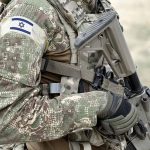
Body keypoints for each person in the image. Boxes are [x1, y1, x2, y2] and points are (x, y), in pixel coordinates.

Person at [0, 0, 138, 149]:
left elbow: (89, 72)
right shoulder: (32, 11)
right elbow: (6, 118)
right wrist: (99, 104)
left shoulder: (90, 5)